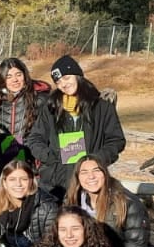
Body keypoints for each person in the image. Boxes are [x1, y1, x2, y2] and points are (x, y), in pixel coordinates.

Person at [26, 55, 126, 194]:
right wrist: (50, 157)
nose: (63, 84)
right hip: (55, 183)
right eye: (59, 82)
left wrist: (98, 160)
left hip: (90, 182)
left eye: (67, 78)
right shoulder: (51, 108)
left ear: (78, 76)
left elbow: (116, 140)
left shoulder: (101, 108)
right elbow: (35, 139)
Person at [0, 160, 60, 247]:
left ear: (31, 181)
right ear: (4, 183)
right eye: (12, 179)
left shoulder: (47, 207)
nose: (18, 184)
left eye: (24, 179)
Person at [0, 57, 50, 164]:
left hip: (35, 165)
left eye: (18, 75)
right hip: (7, 166)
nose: (15, 80)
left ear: (25, 75)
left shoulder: (41, 100)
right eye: (8, 76)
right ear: (2, 80)